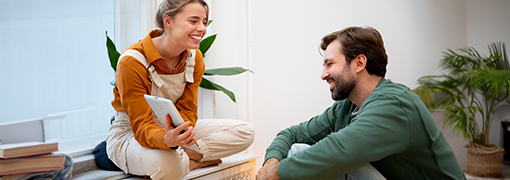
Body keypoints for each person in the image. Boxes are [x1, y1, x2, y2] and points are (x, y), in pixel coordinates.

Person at [257, 26, 466, 180]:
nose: (323, 75)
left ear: (359, 63)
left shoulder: (394, 103)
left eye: (330, 64)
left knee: (324, 162)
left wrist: (277, 173)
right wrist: (271, 163)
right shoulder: (346, 107)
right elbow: (291, 134)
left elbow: (341, 151)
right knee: (296, 150)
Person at [105, 0, 255, 179]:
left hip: (175, 127)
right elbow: (142, 125)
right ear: (168, 21)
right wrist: (166, 140)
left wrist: (180, 136)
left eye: (204, 22)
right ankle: (187, 160)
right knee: (169, 164)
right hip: (132, 135)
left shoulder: (194, 57)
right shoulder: (132, 62)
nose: (202, 28)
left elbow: (188, 109)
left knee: (245, 132)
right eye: (193, 21)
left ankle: (188, 159)